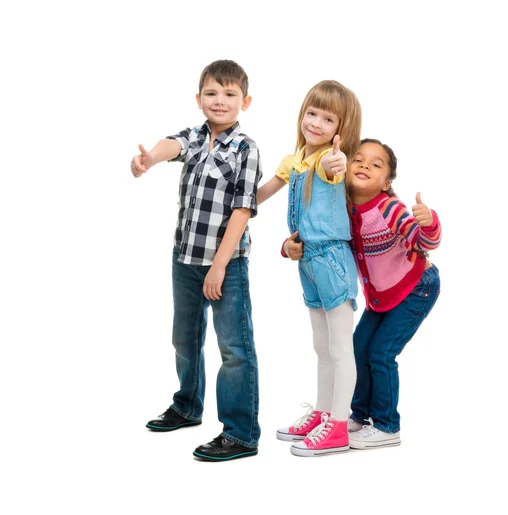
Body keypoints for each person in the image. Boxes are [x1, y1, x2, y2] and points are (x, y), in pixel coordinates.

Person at [130, 60, 262, 462]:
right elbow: (173, 144)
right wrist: (150, 158)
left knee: (234, 348)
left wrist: (220, 267)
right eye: (211, 93)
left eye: (229, 94)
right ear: (199, 99)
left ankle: (240, 433)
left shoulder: (245, 149)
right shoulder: (195, 135)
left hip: (225, 263)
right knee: (184, 339)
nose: (219, 101)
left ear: (245, 101)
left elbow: (242, 211)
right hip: (184, 258)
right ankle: (187, 406)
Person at [283, 138, 442, 450]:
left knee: (381, 353)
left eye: (376, 164)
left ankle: (386, 425)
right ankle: (359, 415)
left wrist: (429, 224)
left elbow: (423, 243)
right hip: (382, 295)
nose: (365, 166)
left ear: (386, 182)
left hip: (415, 287)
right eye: (359, 159)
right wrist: (289, 247)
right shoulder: (340, 206)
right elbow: (318, 234)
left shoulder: (389, 208)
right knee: (358, 347)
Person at [257, 80, 362, 457]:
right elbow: (262, 194)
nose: (315, 122)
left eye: (327, 118)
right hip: (309, 263)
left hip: (332, 261)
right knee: (321, 346)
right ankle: (322, 413)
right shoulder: (296, 159)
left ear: (341, 129)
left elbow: (337, 169)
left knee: (339, 347)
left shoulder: (328, 161)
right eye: (311, 113)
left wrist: (338, 161)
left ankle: (338, 425)